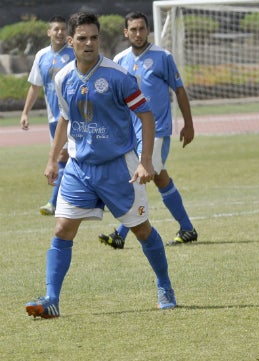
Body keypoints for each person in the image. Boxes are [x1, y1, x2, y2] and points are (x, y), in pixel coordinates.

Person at [25, 12, 176, 319]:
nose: (89, 43)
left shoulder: (119, 76)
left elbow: (146, 116)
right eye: (82, 38)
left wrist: (145, 161)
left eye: (94, 37)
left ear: (100, 40)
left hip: (118, 167)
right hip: (80, 168)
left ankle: (164, 286)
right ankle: (52, 299)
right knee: (63, 227)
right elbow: (65, 119)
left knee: (142, 230)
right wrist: (53, 159)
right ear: (71, 42)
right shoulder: (62, 77)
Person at [98, 11, 197, 249]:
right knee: (160, 179)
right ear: (126, 32)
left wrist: (189, 123)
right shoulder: (120, 60)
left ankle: (121, 233)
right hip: (131, 133)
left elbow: (179, 90)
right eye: (133, 29)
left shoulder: (163, 56)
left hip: (158, 131)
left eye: (142, 29)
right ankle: (187, 228)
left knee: (138, 177)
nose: (138, 33)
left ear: (148, 30)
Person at [20, 16, 75, 216]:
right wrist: (25, 112)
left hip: (75, 116)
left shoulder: (75, 53)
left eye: (63, 29)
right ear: (49, 32)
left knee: (63, 156)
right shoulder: (41, 56)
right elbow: (35, 86)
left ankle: (54, 203)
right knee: (66, 158)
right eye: (56, 29)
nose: (60, 32)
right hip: (54, 118)